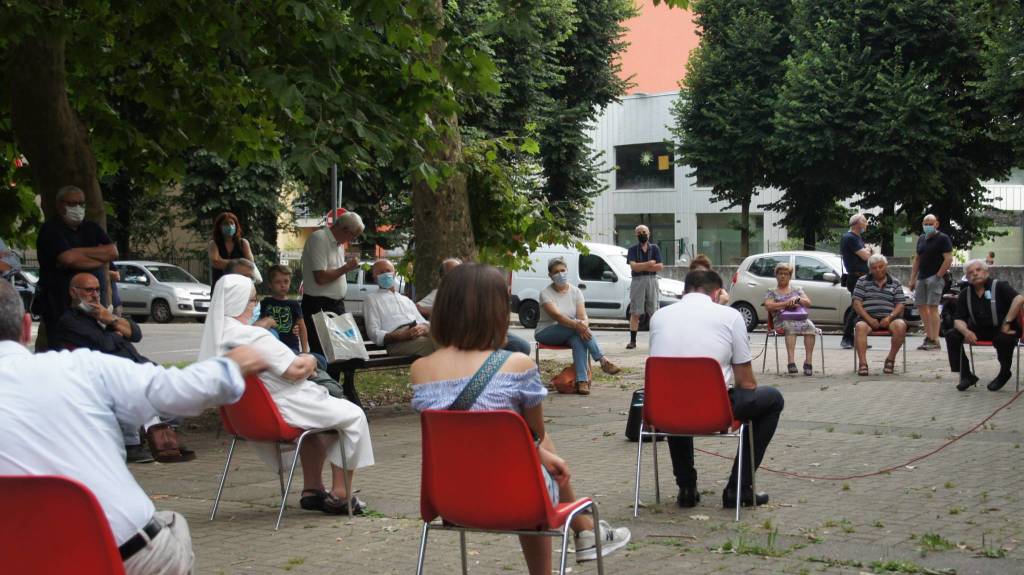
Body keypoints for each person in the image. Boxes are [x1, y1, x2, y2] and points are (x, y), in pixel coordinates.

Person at [0, 279, 269, 575]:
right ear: (26, 328)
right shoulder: (79, 368)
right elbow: (178, 391)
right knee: (172, 526)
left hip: (18, 561)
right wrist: (234, 363)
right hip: (124, 555)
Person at [410, 264, 631, 572]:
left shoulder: (421, 369)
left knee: (530, 448)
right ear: (497, 310)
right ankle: (585, 533)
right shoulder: (517, 364)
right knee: (538, 445)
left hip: (450, 498)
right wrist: (539, 449)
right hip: (520, 497)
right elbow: (535, 435)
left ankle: (586, 533)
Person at [199, 274, 374, 514]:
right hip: (283, 406)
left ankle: (312, 490)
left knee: (319, 423)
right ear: (238, 301)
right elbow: (295, 370)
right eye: (252, 299)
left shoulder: (218, 336)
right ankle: (341, 495)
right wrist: (311, 359)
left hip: (248, 417)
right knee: (353, 416)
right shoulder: (251, 336)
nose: (255, 304)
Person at [649, 269, 784, 509]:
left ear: (684, 291)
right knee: (772, 399)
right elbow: (747, 383)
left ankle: (686, 487)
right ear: (717, 293)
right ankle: (738, 488)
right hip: (713, 412)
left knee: (678, 397)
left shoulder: (659, 316)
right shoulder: (730, 317)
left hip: (663, 412)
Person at [55, 272, 194, 464]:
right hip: (105, 374)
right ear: (73, 292)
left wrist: (110, 319)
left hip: (138, 365)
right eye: (89, 290)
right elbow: (104, 344)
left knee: (176, 387)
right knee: (130, 390)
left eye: (97, 289)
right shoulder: (70, 321)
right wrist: (117, 331)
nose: (95, 295)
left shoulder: (104, 314)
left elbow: (135, 333)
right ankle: (132, 445)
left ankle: (164, 436)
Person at [35, 185, 118, 350]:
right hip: (58, 305)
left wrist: (77, 253)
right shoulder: (51, 230)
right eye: (73, 204)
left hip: (90, 305)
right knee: (63, 350)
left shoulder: (91, 227)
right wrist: (98, 258)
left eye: (81, 204)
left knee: (93, 346)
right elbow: (69, 259)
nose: (78, 208)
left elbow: (112, 252)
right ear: (60, 205)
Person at [533, 257, 620, 395]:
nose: (560, 274)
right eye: (556, 272)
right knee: (576, 330)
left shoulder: (576, 292)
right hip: (546, 331)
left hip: (571, 331)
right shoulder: (545, 293)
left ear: (567, 271)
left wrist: (583, 325)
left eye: (563, 270)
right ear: (550, 275)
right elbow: (558, 317)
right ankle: (603, 360)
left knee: (578, 339)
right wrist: (579, 325)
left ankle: (582, 381)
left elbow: (583, 316)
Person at [417, 257, 531, 354]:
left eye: (460, 270)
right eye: (454, 272)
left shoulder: (471, 290)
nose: (459, 275)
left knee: (522, 346)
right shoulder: (440, 294)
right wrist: (440, 311)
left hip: (487, 331)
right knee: (516, 347)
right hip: (467, 336)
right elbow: (418, 307)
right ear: (444, 277)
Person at [945, 259, 1024, 391]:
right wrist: (966, 332)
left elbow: (1019, 299)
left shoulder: (999, 286)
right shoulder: (965, 294)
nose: (974, 274)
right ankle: (966, 375)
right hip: (979, 329)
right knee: (951, 334)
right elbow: (958, 319)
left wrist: (1007, 322)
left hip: (1002, 328)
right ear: (967, 277)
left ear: (986, 272)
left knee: (1004, 339)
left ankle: (1004, 373)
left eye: (978, 270)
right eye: (970, 272)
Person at [300, 210, 363, 357]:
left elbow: (334, 273)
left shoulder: (338, 244)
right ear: (344, 229)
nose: (352, 240)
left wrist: (344, 269)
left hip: (336, 304)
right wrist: (347, 268)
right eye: (353, 235)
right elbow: (320, 277)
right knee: (324, 351)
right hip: (318, 304)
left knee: (345, 350)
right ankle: (327, 380)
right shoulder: (319, 239)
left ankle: (342, 380)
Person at [365, 259, 437, 357]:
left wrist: (423, 328)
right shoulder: (371, 299)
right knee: (433, 345)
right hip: (396, 342)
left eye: (388, 271)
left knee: (449, 339)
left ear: (394, 274)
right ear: (374, 277)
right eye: (381, 272)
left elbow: (423, 322)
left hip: (417, 334)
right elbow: (373, 332)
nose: (386, 274)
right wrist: (401, 336)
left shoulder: (405, 299)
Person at [851, 255, 908, 375]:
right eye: (874, 268)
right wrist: (870, 319)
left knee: (901, 326)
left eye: (881, 266)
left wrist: (890, 317)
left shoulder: (895, 282)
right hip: (867, 318)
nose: (878, 270)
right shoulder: (862, 281)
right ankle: (863, 363)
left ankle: (890, 359)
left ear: (886, 266)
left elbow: (900, 304)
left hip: (890, 318)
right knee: (860, 327)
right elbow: (857, 304)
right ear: (870, 269)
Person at [908, 214, 953, 351]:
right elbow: (917, 259)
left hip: (935, 277)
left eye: (930, 223)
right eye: (925, 223)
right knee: (921, 306)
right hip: (922, 277)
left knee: (933, 307)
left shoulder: (943, 238)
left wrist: (938, 275)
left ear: (936, 224)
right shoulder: (921, 238)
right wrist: (912, 278)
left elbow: (948, 259)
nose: (927, 225)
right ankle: (929, 336)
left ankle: (935, 339)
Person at [763, 262, 817, 375]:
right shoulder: (771, 291)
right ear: (776, 275)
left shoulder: (797, 289)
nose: (783, 276)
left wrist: (798, 299)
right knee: (790, 326)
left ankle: (808, 362)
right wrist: (786, 303)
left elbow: (808, 303)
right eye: (780, 273)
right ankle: (791, 362)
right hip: (781, 320)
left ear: (790, 276)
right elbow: (768, 306)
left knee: (811, 326)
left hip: (799, 318)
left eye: (786, 274)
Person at [626, 225, 662, 349]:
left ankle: (657, 341)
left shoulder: (655, 248)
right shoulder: (632, 250)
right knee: (635, 312)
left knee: (654, 311)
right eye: (639, 232)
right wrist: (649, 264)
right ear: (636, 235)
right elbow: (633, 267)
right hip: (637, 281)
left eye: (644, 232)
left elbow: (660, 267)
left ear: (649, 233)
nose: (642, 234)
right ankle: (632, 341)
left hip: (652, 280)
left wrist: (641, 266)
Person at [839, 213, 871, 349]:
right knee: (856, 307)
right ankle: (847, 337)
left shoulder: (858, 238)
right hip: (856, 277)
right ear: (857, 223)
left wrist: (867, 251)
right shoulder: (850, 238)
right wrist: (868, 249)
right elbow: (865, 256)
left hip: (862, 276)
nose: (866, 224)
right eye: (864, 221)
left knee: (860, 307)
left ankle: (858, 338)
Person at [261, 265, 308, 355]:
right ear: (270, 285)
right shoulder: (265, 303)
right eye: (278, 282)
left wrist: (305, 352)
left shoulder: (294, 304)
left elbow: (302, 327)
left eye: (286, 281)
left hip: (291, 348)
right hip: (270, 348)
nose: (282, 285)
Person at [208, 211, 254, 286]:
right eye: (226, 224)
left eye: (232, 223)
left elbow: (249, 264)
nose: (229, 226)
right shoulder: (214, 244)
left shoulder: (243, 243)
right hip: (220, 285)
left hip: (240, 285)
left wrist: (223, 262)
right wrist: (240, 264)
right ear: (219, 227)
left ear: (236, 226)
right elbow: (215, 262)